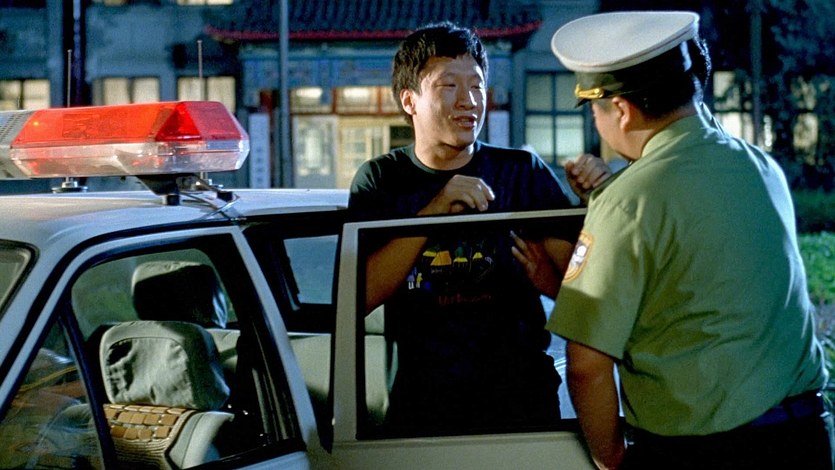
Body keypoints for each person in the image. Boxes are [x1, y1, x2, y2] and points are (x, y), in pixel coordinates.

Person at [547, 10, 833, 469]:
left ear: (620, 110)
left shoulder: (626, 202)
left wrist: (611, 458)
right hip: (803, 438)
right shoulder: (760, 167)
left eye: (595, 111)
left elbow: (586, 365)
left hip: (702, 453)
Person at [349, 21, 610, 434]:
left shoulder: (521, 172)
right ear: (409, 100)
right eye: (448, 86)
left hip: (522, 402)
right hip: (423, 405)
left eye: (477, 86)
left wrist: (591, 207)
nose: (468, 101)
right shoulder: (382, 179)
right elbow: (357, 297)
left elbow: (585, 294)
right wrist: (432, 213)